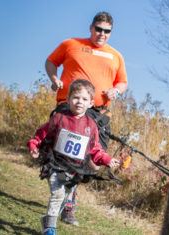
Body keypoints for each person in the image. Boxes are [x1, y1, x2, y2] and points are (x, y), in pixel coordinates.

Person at [45, 11, 128, 225]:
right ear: (91, 28)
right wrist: (54, 79)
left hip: (99, 112)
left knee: (93, 159)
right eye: (98, 29)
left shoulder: (116, 55)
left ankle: (69, 197)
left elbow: (122, 83)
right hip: (70, 107)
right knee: (68, 155)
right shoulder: (71, 44)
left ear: (111, 33)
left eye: (106, 31)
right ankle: (64, 201)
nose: (102, 34)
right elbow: (51, 61)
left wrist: (116, 92)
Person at [27, 79, 120, 235]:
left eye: (84, 99)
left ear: (91, 103)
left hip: (75, 170)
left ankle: (47, 219)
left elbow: (96, 149)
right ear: (69, 99)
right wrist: (34, 144)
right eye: (76, 98)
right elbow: (42, 133)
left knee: (64, 197)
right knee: (57, 194)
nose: (79, 102)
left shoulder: (91, 126)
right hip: (55, 164)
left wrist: (108, 160)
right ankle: (50, 228)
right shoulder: (59, 118)